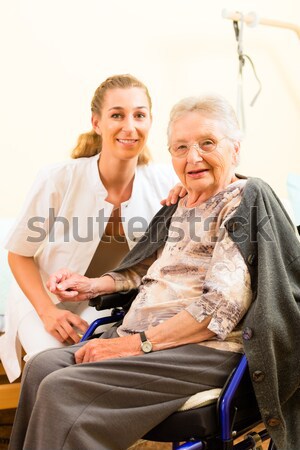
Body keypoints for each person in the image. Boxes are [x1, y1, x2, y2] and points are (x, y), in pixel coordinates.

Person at [9, 95, 300, 450]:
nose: (193, 157)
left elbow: (219, 309)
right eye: (181, 147)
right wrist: (91, 285)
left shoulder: (244, 200)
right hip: (151, 344)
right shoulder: (179, 203)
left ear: (235, 149)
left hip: (205, 350)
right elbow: (145, 270)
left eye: (207, 143)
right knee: (42, 369)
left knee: (61, 388)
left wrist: (132, 346)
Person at [0, 74, 183, 383]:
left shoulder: (166, 183)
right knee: (53, 369)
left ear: (151, 121)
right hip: (45, 302)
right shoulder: (58, 179)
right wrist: (48, 312)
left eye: (139, 115)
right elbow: (19, 255)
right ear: (96, 123)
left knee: (98, 370)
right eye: (117, 115)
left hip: (109, 301)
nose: (130, 126)